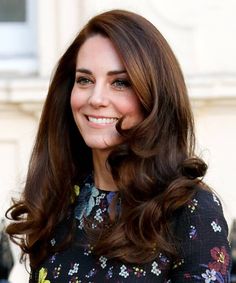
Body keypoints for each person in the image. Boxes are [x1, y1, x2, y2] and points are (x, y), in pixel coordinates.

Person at [5, 9, 231, 282]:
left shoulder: (190, 210)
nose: (97, 98)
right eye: (85, 80)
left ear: (154, 97)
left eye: (120, 82)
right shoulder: (60, 203)